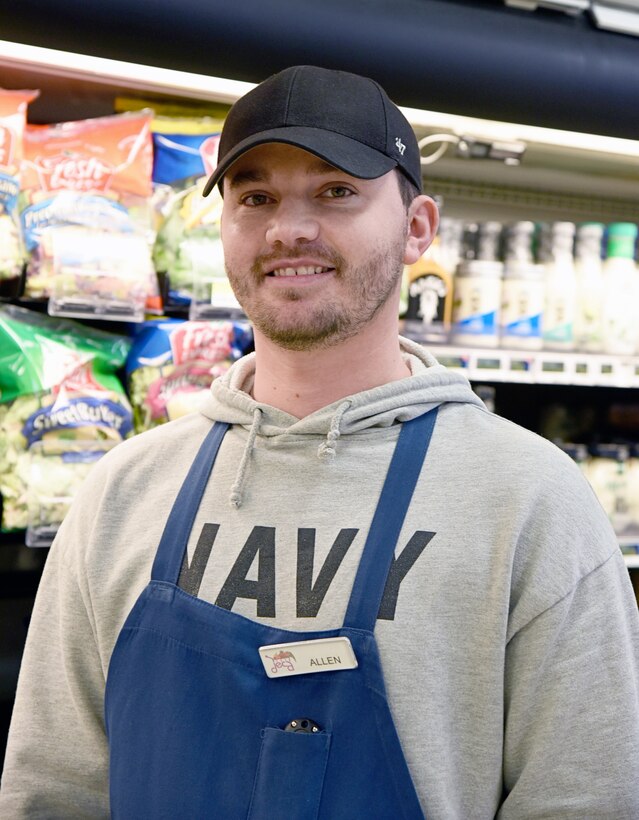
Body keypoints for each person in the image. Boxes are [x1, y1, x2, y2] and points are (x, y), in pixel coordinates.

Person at [1, 65, 638, 819]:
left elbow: (585, 797)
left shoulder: (531, 501)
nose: (287, 228)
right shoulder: (123, 490)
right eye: (255, 196)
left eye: (336, 191)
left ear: (417, 228)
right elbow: (52, 790)